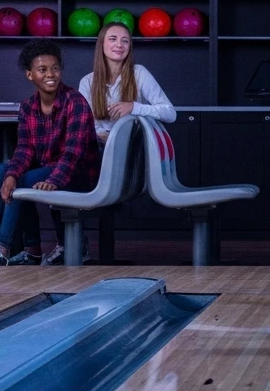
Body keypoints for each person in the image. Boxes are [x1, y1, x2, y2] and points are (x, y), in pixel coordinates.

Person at [0, 40, 100, 266]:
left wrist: (53, 180)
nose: (50, 74)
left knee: (23, 180)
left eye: (55, 68)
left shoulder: (75, 101)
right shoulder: (28, 106)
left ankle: (2, 248)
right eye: (42, 69)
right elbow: (25, 149)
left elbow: (73, 153)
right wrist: (11, 174)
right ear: (30, 75)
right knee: (2, 171)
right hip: (48, 170)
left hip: (77, 175)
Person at [49, 20, 176, 265]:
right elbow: (83, 125)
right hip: (95, 153)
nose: (120, 44)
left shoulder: (139, 73)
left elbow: (170, 112)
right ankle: (68, 244)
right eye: (113, 39)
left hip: (127, 157)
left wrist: (134, 107)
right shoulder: (88, 81)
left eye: (125, 40)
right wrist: (99, 134)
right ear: (102, 44)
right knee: (59, 169)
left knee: (61, 170)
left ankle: (70, 244)